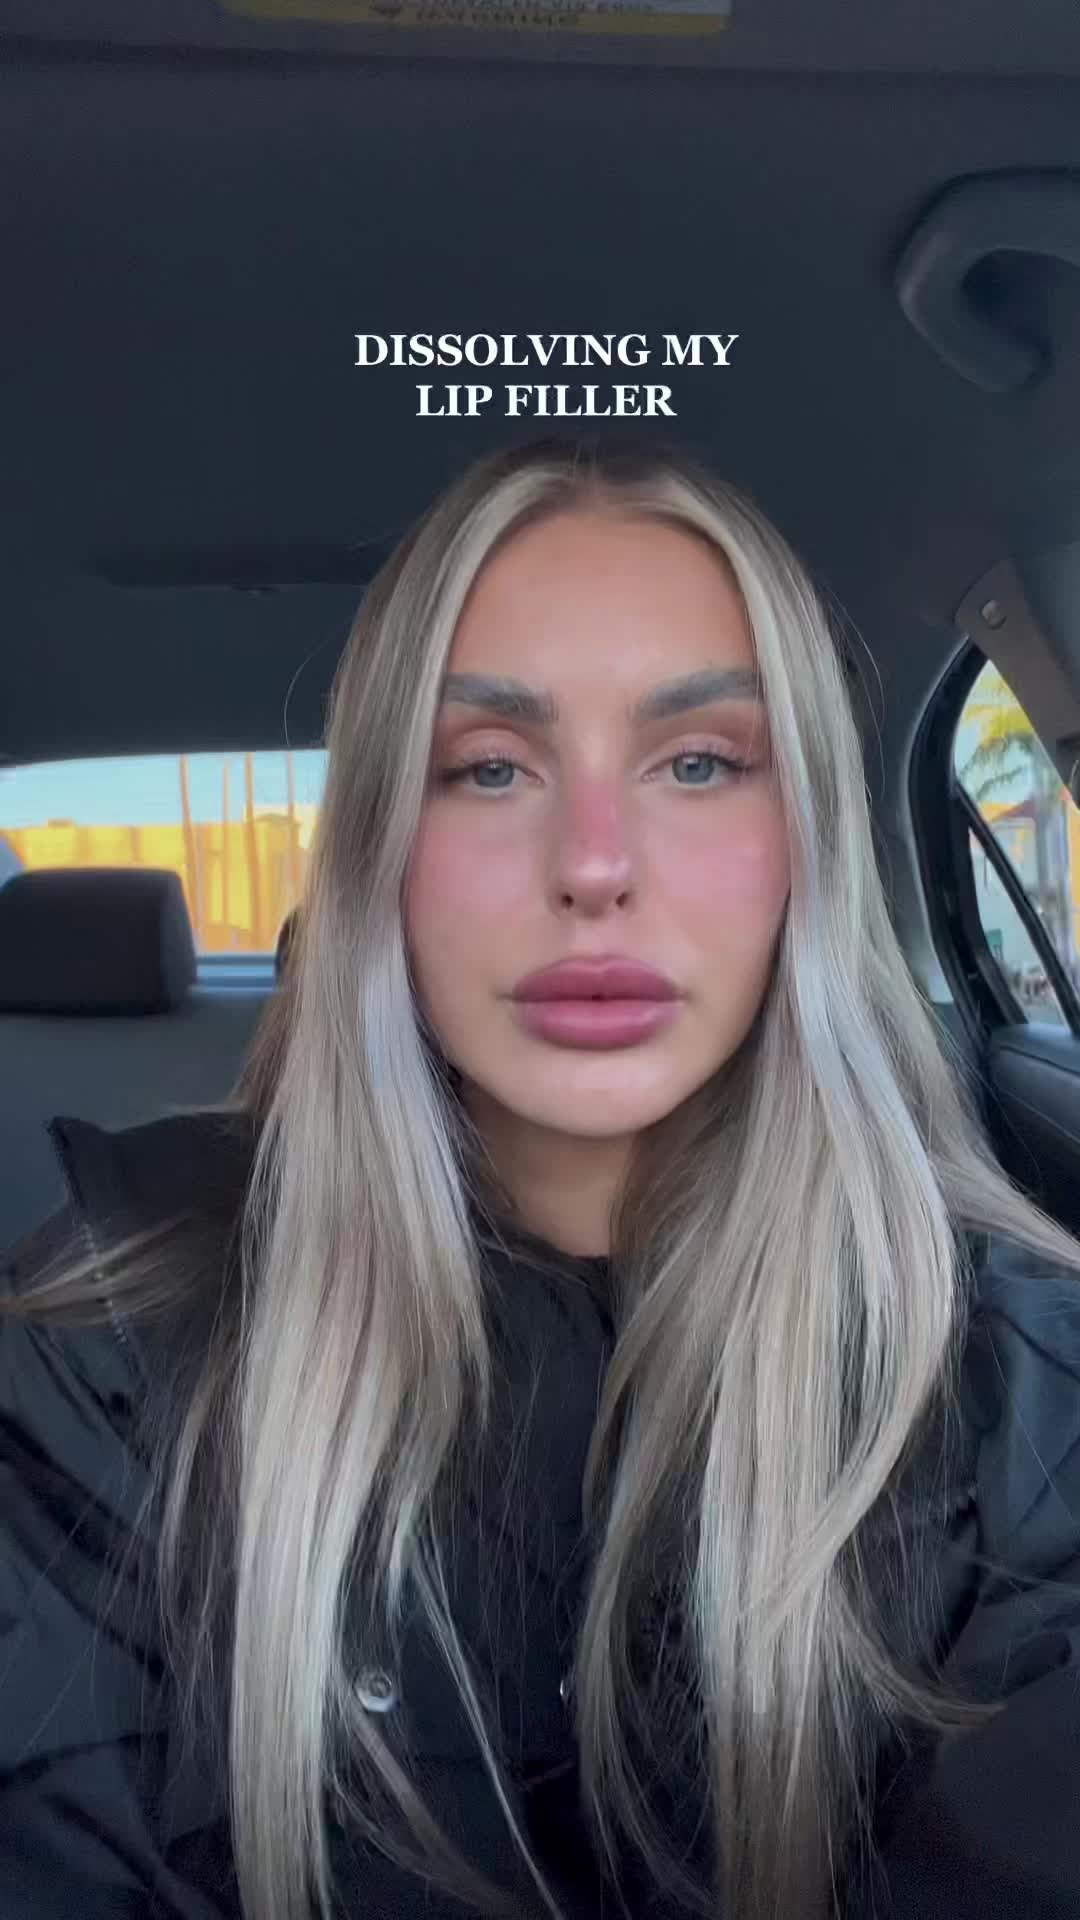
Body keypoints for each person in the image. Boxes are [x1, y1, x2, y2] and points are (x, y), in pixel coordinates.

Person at [3, 435, 1080, 1920]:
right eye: (489, 768)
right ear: (382, 852)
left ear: (808, 850)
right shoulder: (120, 1333)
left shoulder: (1021, 1392)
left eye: (699, 762)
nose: (593, 864)